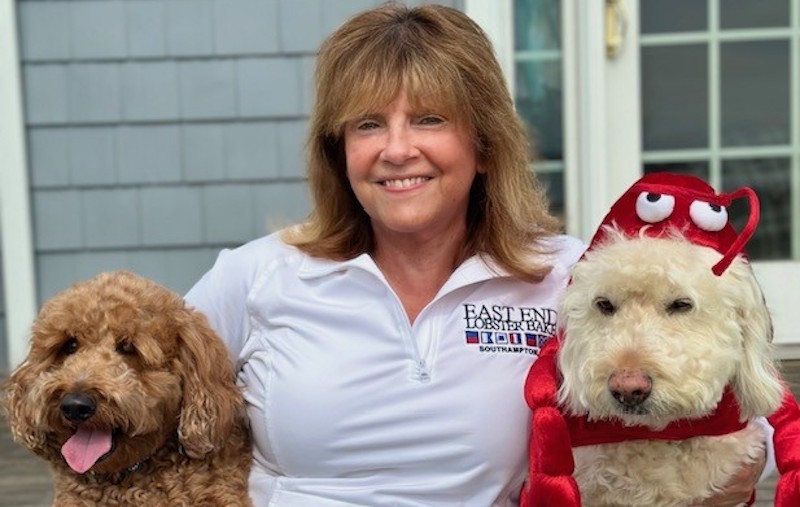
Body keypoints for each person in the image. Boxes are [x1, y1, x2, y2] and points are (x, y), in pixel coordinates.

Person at [184, 3, 770, 505]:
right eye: (367, 125)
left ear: (485, 145)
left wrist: (722, 481)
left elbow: (748, 428)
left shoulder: (575, 278)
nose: (396, 149)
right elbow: (133, 401)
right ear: (338, 152)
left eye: (428, 119)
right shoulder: (258, 275)